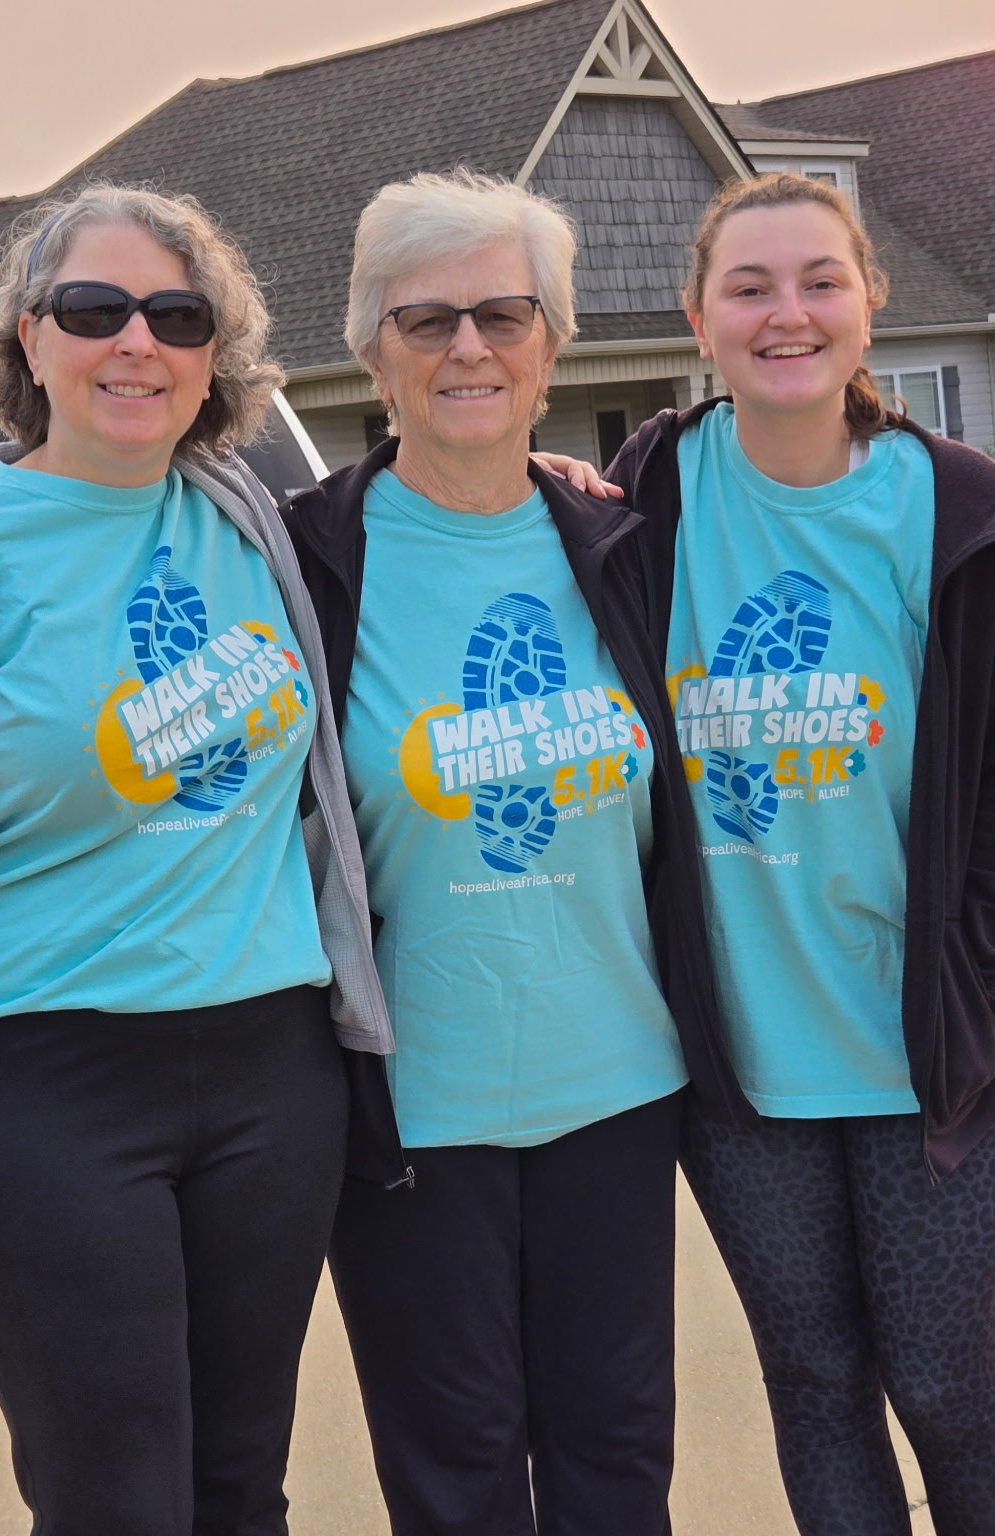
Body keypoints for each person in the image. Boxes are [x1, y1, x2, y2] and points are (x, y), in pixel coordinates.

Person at [0, 184, 391, 1536]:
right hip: (45, 1088)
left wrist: (563, 477)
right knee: (111, 1495)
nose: (137, 342)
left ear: (211, 357)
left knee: (241, 1487)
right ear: (27, 339)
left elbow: (447, 508)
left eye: (178, 316)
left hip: (271, 1074)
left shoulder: (254, 519)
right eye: (95, 308)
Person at [284, 170, 748, 1536]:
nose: (468, 349)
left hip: (615, 1082)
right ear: (372, 348)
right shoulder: (307, 562)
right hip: (412, 1108)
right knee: (456, 1474)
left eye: (501, 314)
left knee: (617, 1460)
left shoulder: (618, 542)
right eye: (426, 322)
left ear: (554, 343)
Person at [602, 173, 995, 1536]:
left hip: (933, 1049)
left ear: (871, 305)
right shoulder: (647, 503)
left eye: (818, 280)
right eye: (748, 286)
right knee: (810, 1377)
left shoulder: (965, 515)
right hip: (742, 1063)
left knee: (943, 1382)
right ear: (698, 315)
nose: (784, 312)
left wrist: (974, 978)